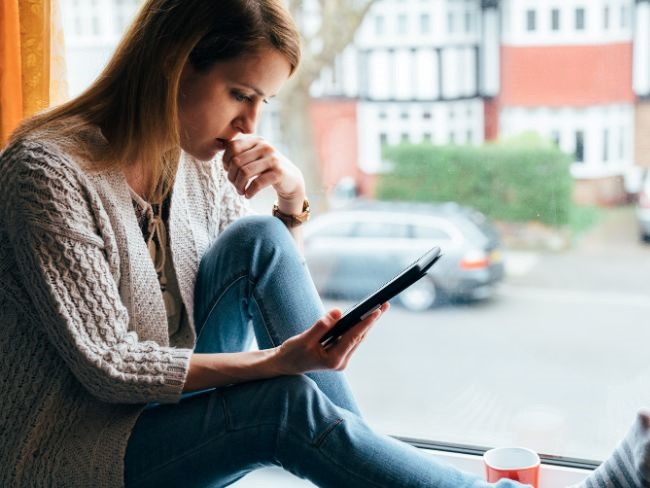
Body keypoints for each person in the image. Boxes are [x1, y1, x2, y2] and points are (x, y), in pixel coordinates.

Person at [0, 1, 648, 487]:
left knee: (256, 235)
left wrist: (291, 203)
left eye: (264, 102)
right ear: (174, 60)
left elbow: (262, 270)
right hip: (80, 449)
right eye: (240, 95)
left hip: (166, 406)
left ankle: (363, 460)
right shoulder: (45, 170)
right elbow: (109, 369)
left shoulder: (188, 157)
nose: (250, 124)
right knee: (285, 406)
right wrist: (278, 364)